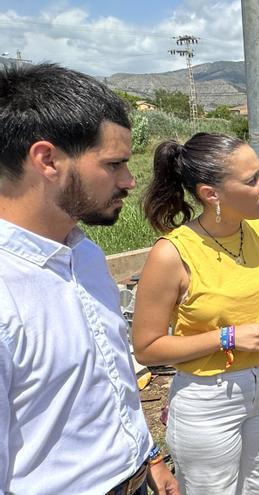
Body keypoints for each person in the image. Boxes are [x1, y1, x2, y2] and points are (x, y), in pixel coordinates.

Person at [0, 64, 177, 494]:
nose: (130, 181)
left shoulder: (85, 254)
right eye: (114, 164)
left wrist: (146, 455)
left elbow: (107, 375)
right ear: (47, 160)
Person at [131, 132, 259, 494]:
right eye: (252, 180)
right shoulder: (172, 254)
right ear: (211, 194)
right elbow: (147, 347)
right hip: (209, 398)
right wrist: (228, 337)